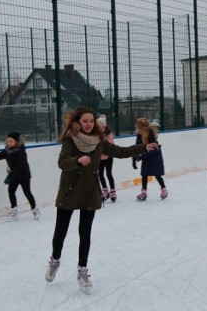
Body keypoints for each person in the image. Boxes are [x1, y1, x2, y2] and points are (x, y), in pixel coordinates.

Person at [46, 107, 159, 291]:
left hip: (90, 191)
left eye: (92, 121)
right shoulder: (70, 140)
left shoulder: (99, 141)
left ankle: (82, 270)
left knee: (85, 232)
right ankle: (55, 260)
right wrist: (77, 160)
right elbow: (62, 162)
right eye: (85, 121)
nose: (89, 124)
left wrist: (144, 147)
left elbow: (120, 151)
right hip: (70, 189)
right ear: (77, 122)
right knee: (61, 231)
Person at [0, 132, 39, 221]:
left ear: (16, 142)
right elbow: (1, 154)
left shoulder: (21, 152)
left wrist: (9, 177)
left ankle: (35, 210)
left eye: (11, 141)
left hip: (24, 175)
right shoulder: (7, 150)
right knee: (11, 191)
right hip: (14, 176)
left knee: (27, 192)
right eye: (7, 141)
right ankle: (14, 212)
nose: (9, 143)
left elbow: (17, 167)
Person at [132, 118, 168, 201]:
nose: (136, 127)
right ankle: (144, 192)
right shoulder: (139, 134)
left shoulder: (150, 133)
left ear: (141, 127)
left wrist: (141, 157)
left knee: (157, 174)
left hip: (155, 155)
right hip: (146, 154)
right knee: (144, 174)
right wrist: (134, 159)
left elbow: (154, 148)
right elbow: (136, 147)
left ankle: (164, 189)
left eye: (137, 126)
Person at [96, 115, 117, 202]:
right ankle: (105, 191)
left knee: (109, 173)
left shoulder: (108, 133)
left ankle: (113, 191)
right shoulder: (96, 134)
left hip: (108, 157)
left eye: (99, 124)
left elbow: (111, 144)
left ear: (103, 125)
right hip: (100, 158)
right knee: (100, 174)